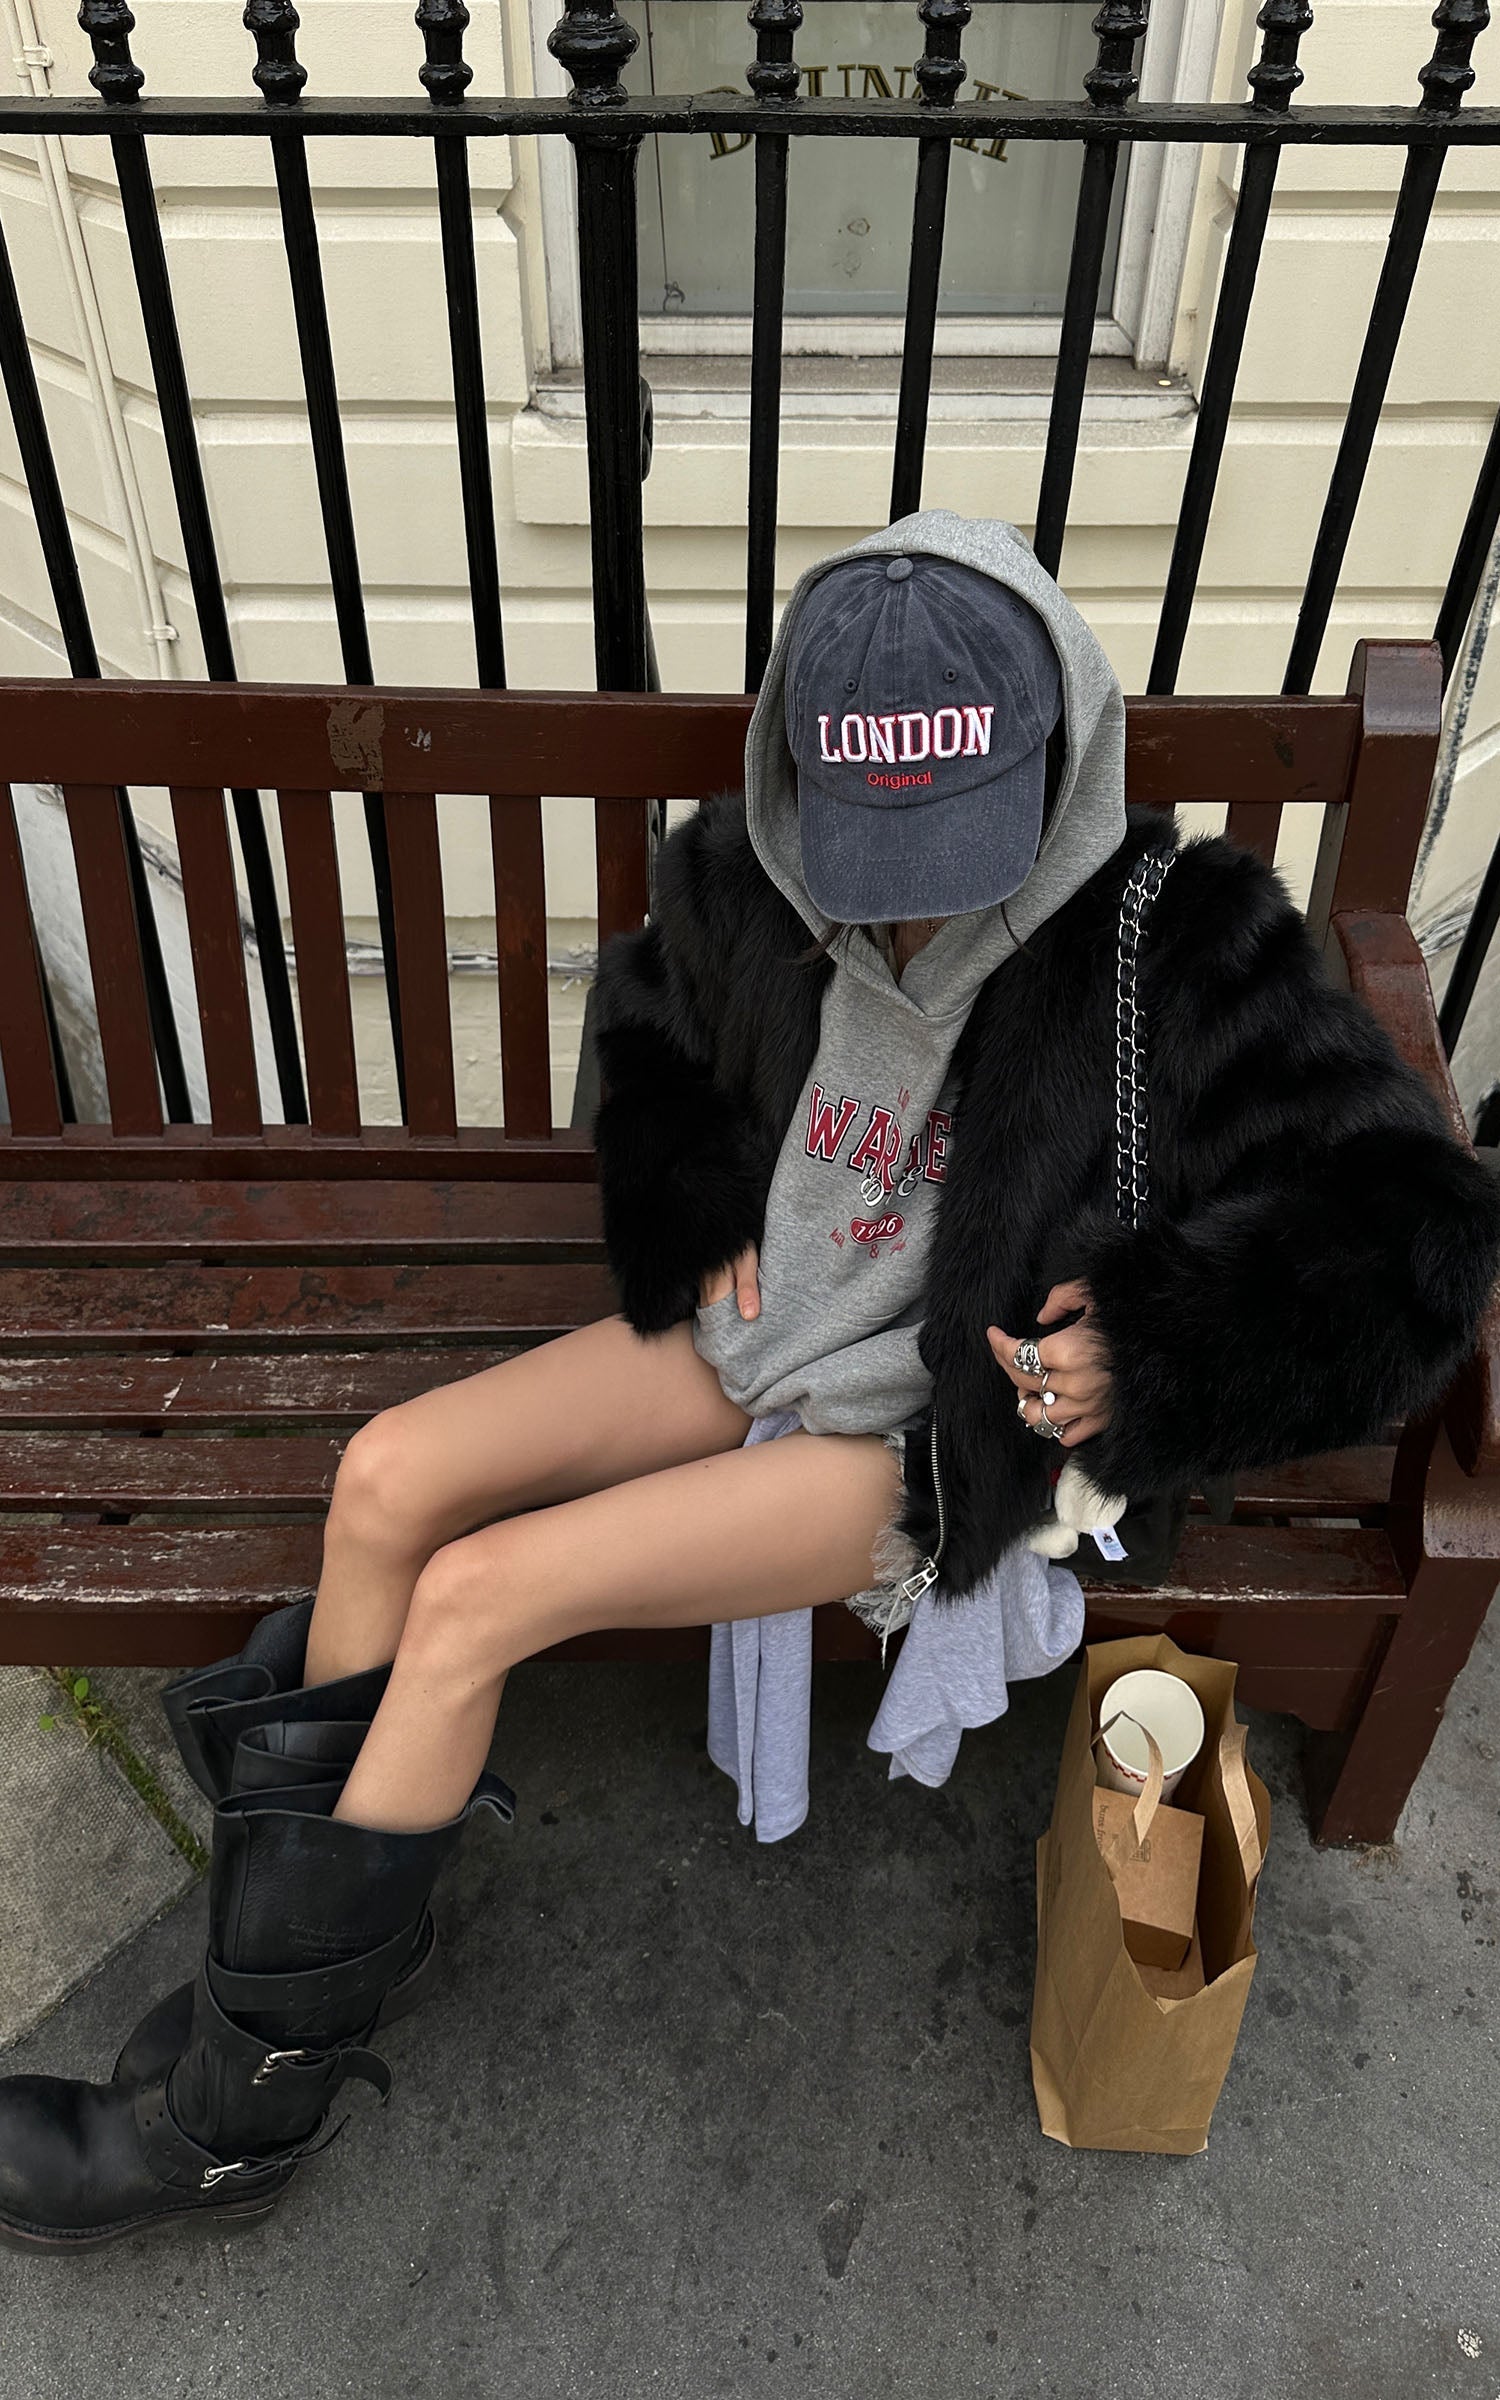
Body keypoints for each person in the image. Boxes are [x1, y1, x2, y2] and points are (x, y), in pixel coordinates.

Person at [2, 509, 1496, 2251]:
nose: (911, 894)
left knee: (480, 1598)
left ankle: (231, 2115)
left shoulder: (1178, 939)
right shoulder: (749, 868)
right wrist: (687, 1184)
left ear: (1055, 752)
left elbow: (1419, 1235)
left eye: (955, 840)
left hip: (936, 1427)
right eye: (874, 847)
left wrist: (1157, 1348)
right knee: (388, 1476)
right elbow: (647, 1025)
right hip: (761, 1331)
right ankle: (312, 1934)